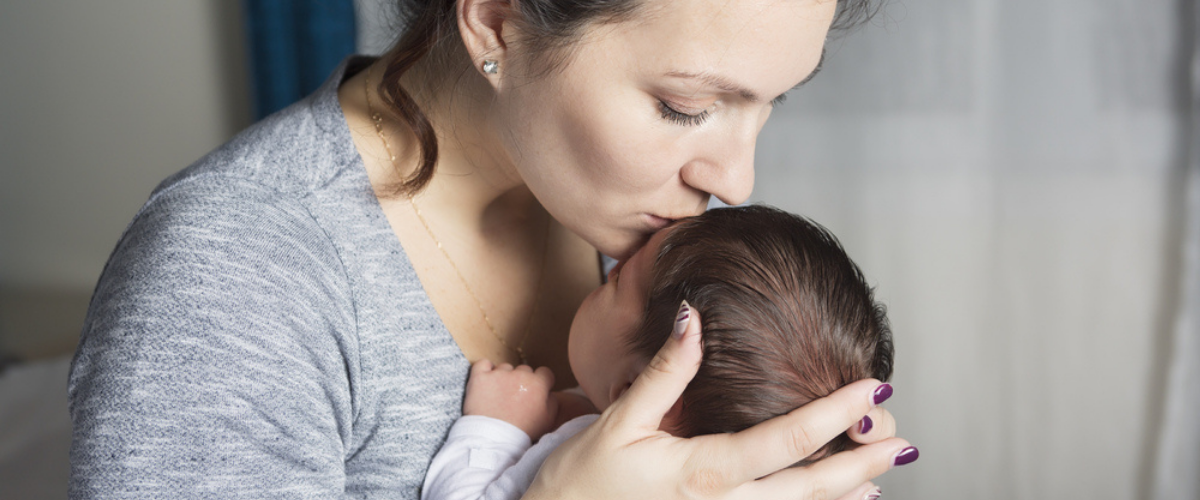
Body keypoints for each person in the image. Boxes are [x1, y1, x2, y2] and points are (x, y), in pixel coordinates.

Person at [68, 0, 916, 498]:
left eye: (771, 103)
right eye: (687, 107)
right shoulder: (233, 277)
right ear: (496, 25)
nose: (737, 176)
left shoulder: (638, 236)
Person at [422, 206, 912, 500]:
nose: (612, 266)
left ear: (642, 391)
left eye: (618, 282)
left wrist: (497, 429)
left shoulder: (587, 463)